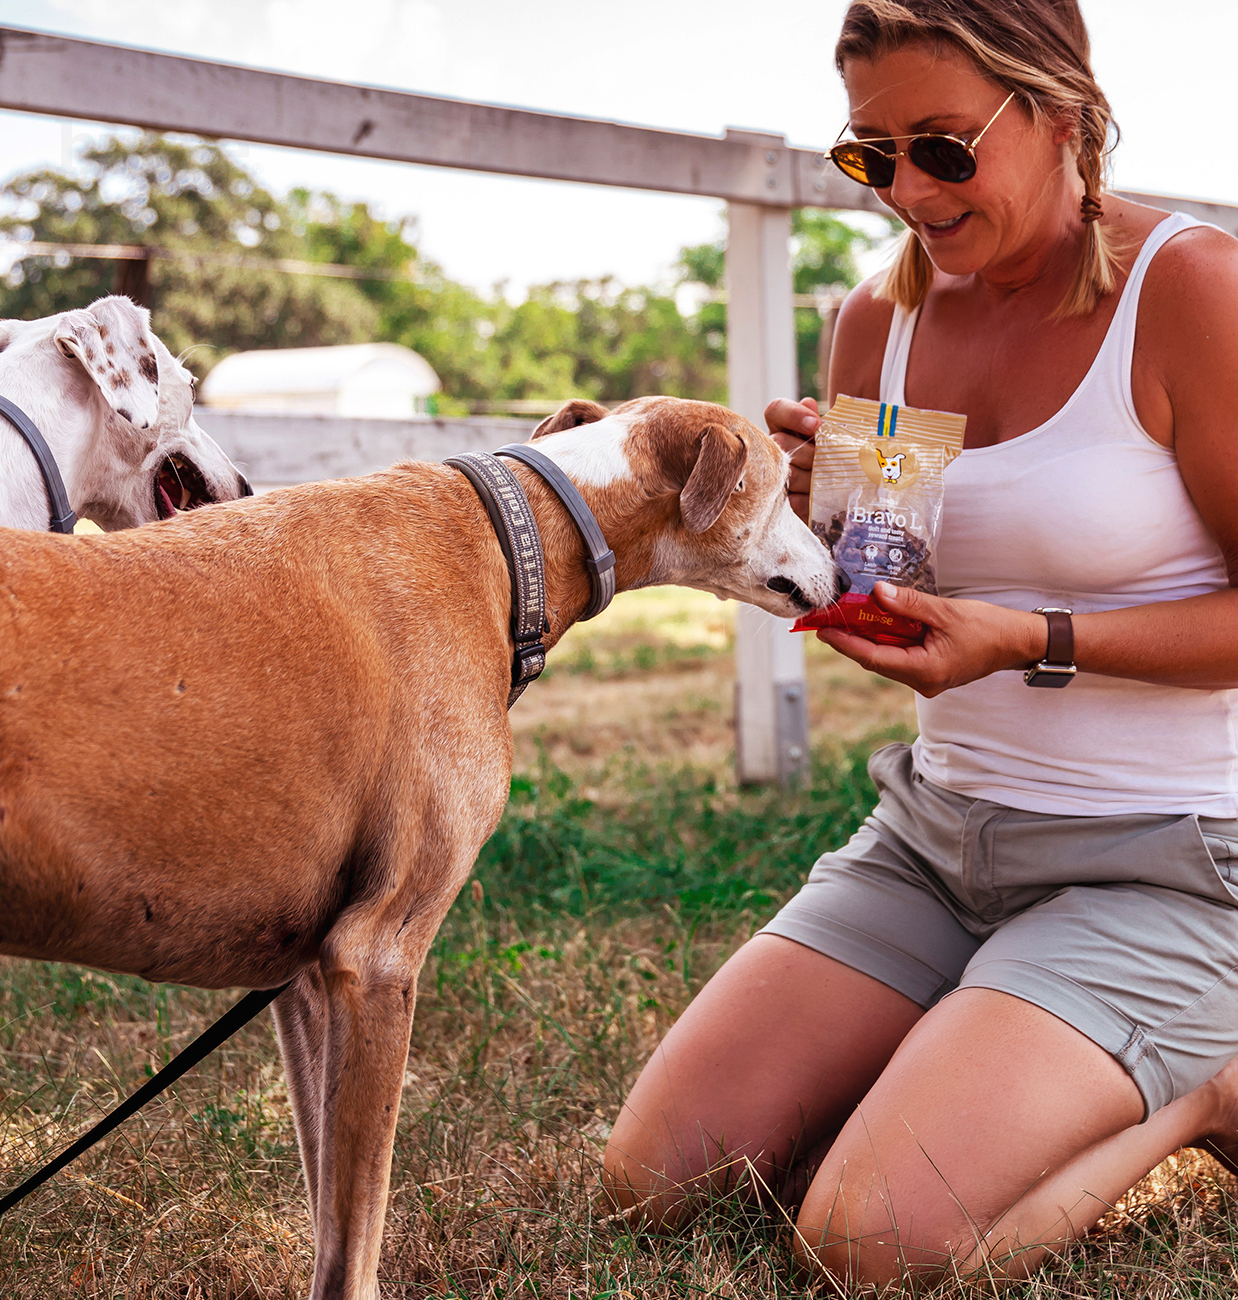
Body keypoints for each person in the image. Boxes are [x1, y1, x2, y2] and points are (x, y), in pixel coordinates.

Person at [602, 0, 1238, 1286]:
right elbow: (879, 587)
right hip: (936, 839)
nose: (905, 191)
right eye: (868, 154)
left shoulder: (1189, 291)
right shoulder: (874, 324)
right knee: (657, 1182)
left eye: (943, 148)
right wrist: (803, 514)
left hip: (1169, 859)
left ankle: (1206, 1097)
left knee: (871, 1246)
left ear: (1063, 111)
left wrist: (1025, 640)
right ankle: (981, 1049)